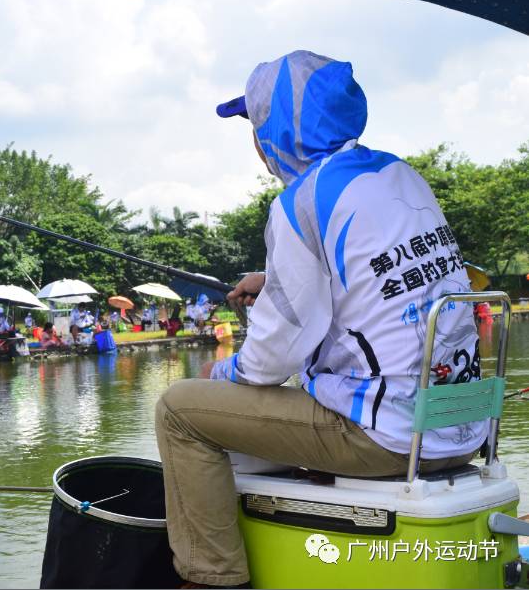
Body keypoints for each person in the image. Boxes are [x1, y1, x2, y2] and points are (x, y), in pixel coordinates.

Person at [155, 50, 481, 588]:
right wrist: (273, 283)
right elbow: (371, 279)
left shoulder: (299, 204)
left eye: (256, 124)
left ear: (278, 130)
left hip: (387, 436)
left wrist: (221, 374)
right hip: (460, 422)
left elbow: (268, 363)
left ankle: (211, 577)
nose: (256, 141)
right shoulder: (400, 177)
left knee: (179, 411)